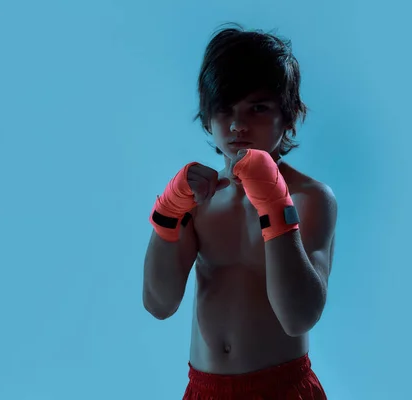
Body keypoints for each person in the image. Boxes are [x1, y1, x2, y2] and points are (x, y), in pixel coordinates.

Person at [142, 25, 337, 399]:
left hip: (281, 389)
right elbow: (158, 303)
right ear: (206, 116)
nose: (237, 125)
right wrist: (168, 213)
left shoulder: (311, 198)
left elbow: (298, 318)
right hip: (205, 389)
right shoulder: (197, 199)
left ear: (289, 116)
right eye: (225, 109)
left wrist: (275, 205)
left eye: (258, 108)